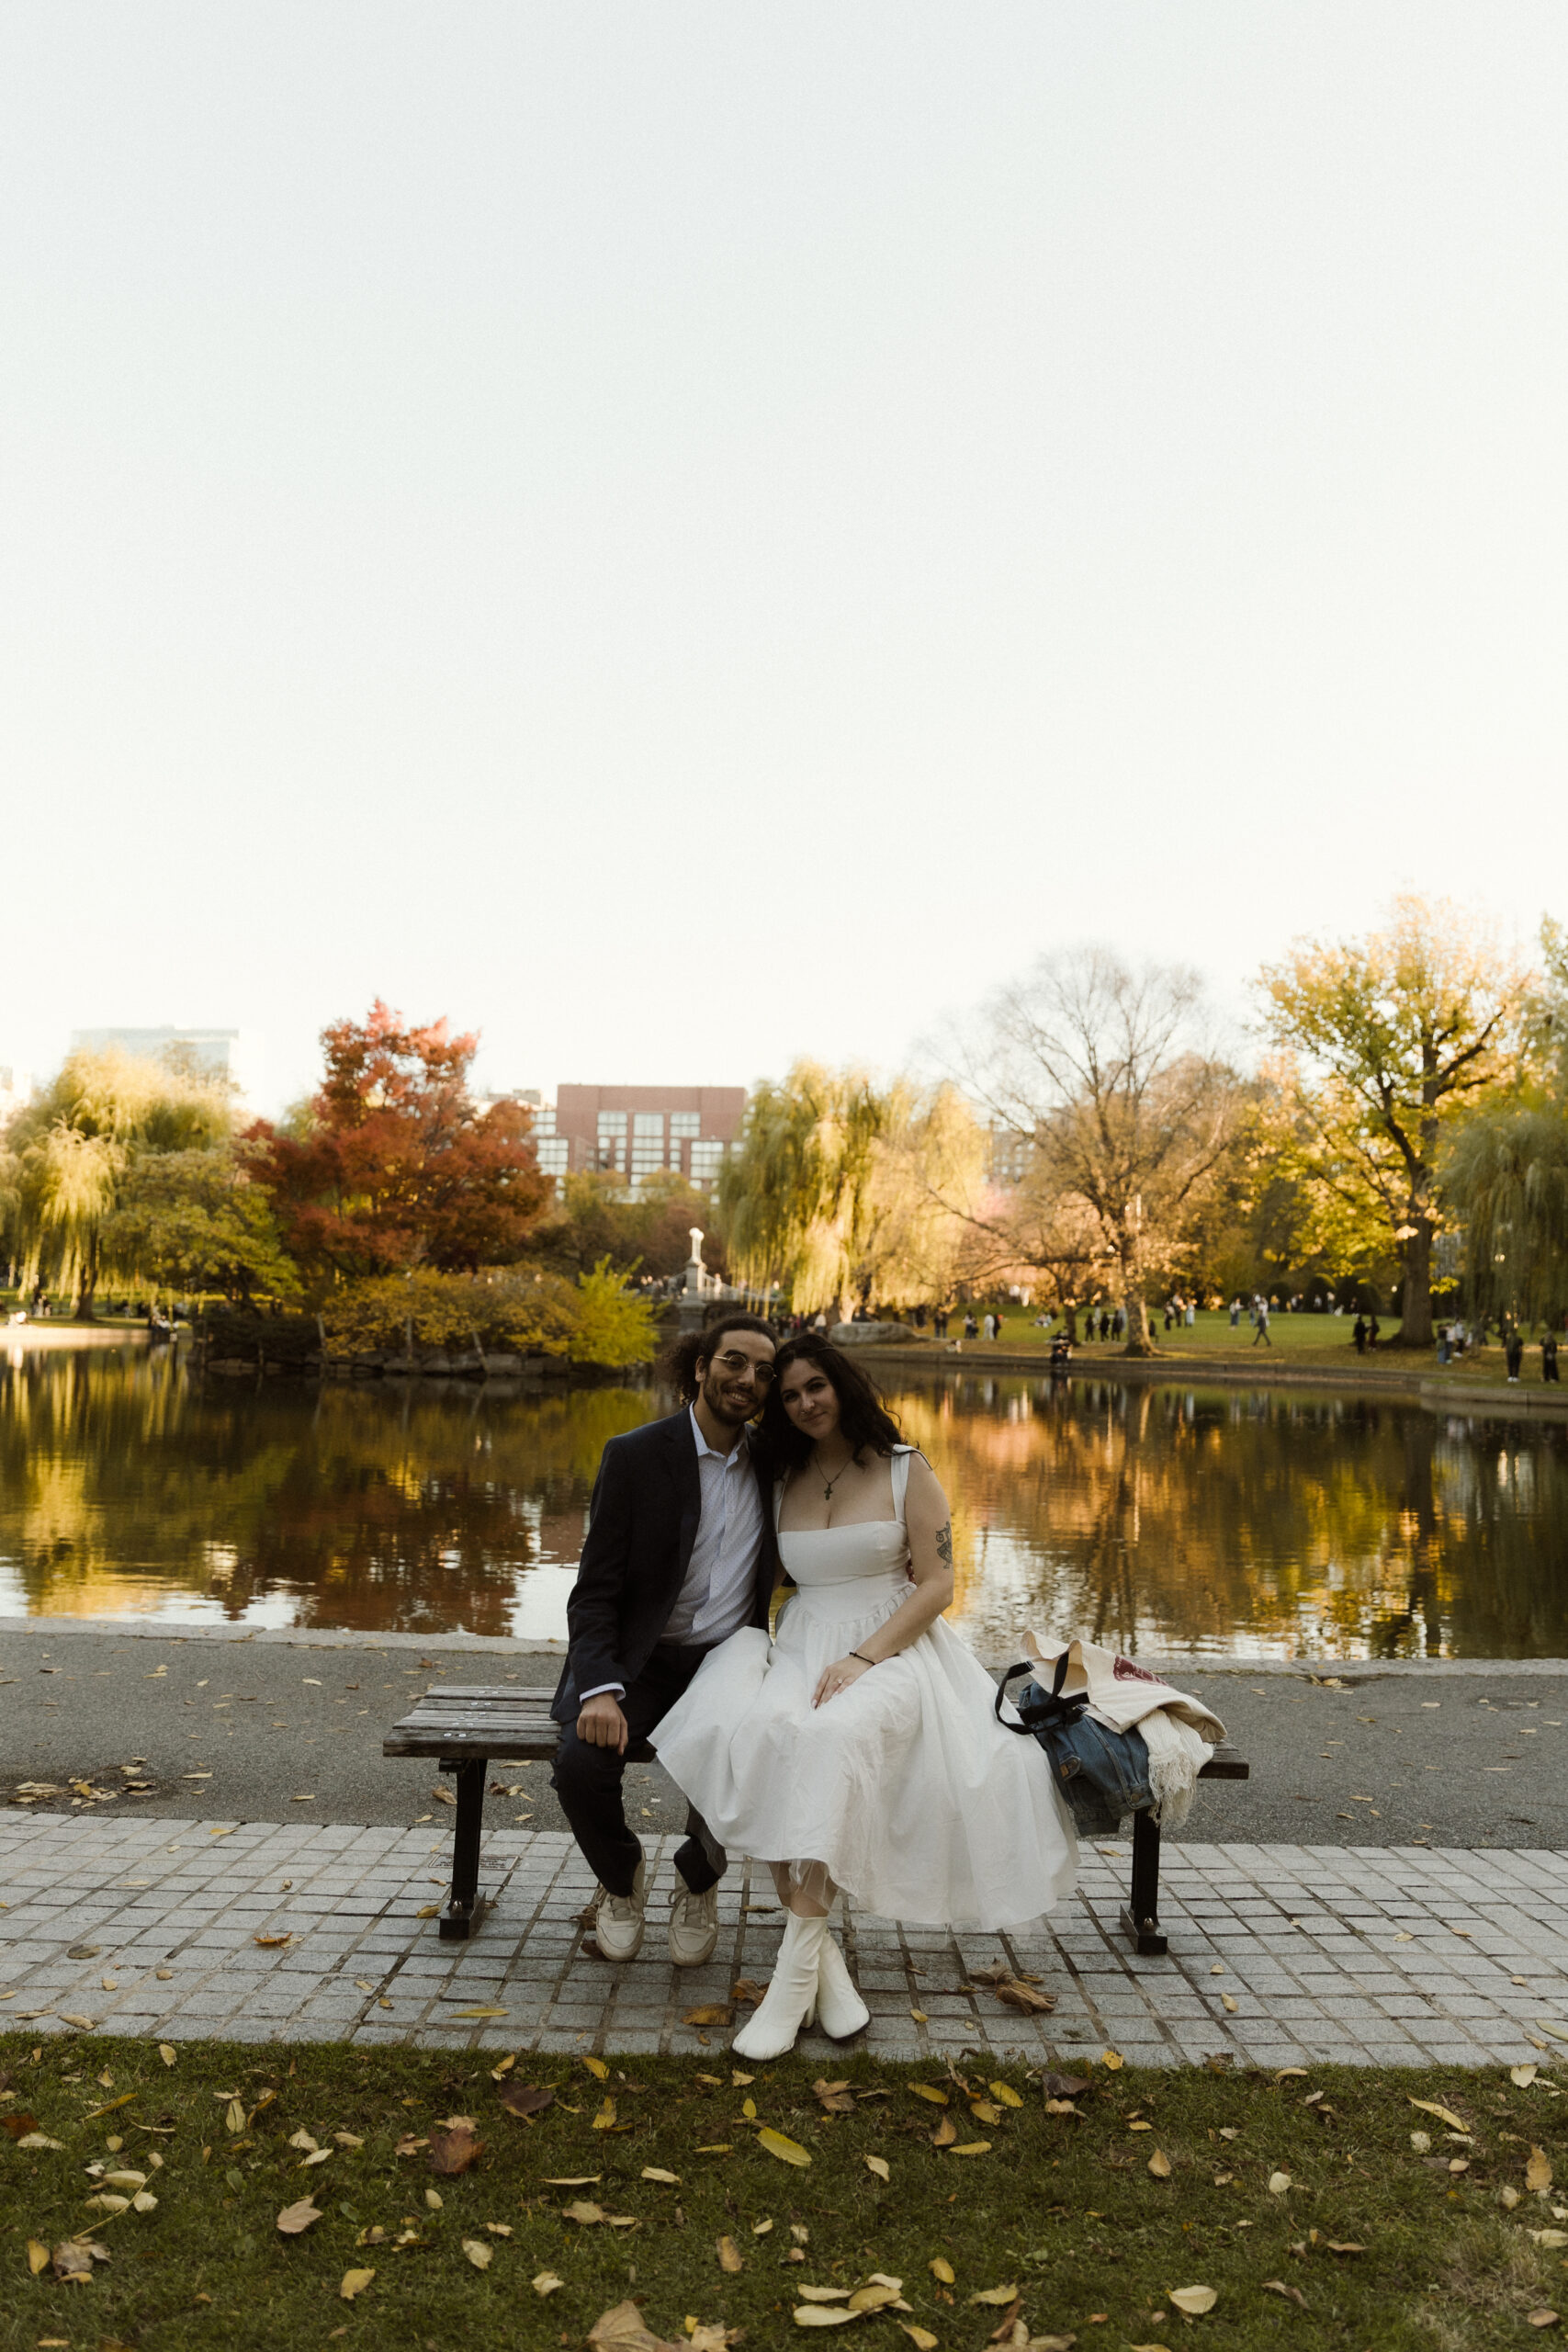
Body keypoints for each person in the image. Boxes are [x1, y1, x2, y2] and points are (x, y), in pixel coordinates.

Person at [651, 1336, 1077, 2061]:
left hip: (893, 1647)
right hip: (802, 1643)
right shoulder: (780, 1473)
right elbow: (738, 1562)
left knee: (830, 1739)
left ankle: (791, 1978)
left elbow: (938, 1585)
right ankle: (825, 1971)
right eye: (789, 1394)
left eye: (815, 1386)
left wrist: (862, 1657)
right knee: (769, 1734)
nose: (804, 1403)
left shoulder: (906, 1468)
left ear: (842, 1384)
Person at [550, 1314, 782, 1967]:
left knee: (747, 1750)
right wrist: (599, 1687)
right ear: (701, 1367)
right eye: (734, 1362)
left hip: (728, 1661)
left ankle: (697, 1881)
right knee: (579, 1763)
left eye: (764, 1371)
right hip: (639, 1661)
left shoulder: (776, 1462)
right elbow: (594, 1592)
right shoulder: (635, 1456)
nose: (748, 1378)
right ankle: (621, 1878)